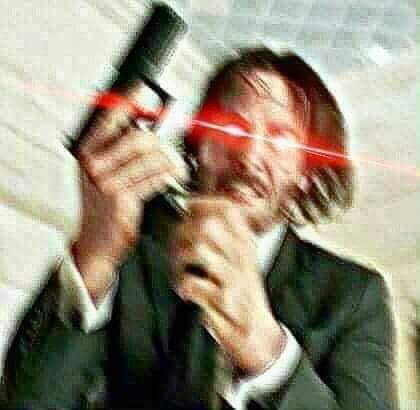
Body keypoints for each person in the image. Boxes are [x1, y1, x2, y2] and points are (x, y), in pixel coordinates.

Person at [1, 48, 399, 410]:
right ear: (197, 145)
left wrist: (265, 351)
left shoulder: (353, 297)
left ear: (305, 174)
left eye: (280, 138)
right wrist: (95, 255)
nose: (250, 156)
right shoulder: (132, 248)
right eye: (232, 129)